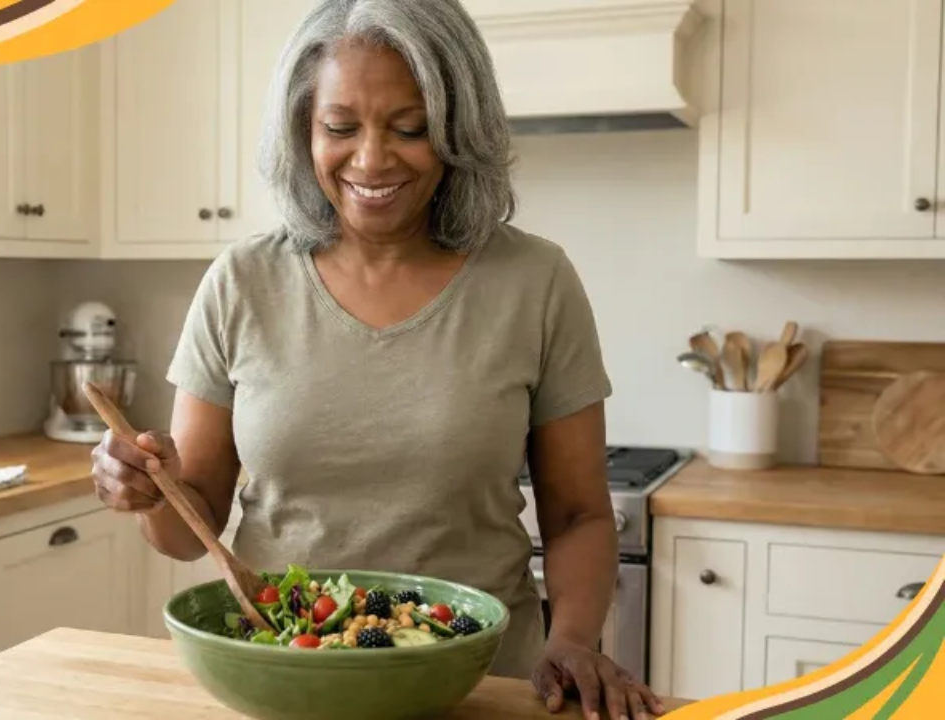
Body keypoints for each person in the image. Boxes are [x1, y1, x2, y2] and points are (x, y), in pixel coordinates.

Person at [91, 1, 665, 718]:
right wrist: (152, 490)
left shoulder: (536, 282)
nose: (370, 159)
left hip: (477, 688)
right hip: (286, 681)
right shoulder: (241, 283)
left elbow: (580, 512)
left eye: (410, 127)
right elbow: (187, 531)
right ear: (303, 128)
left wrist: (574, 637)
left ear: (460, 129)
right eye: (340, 127)